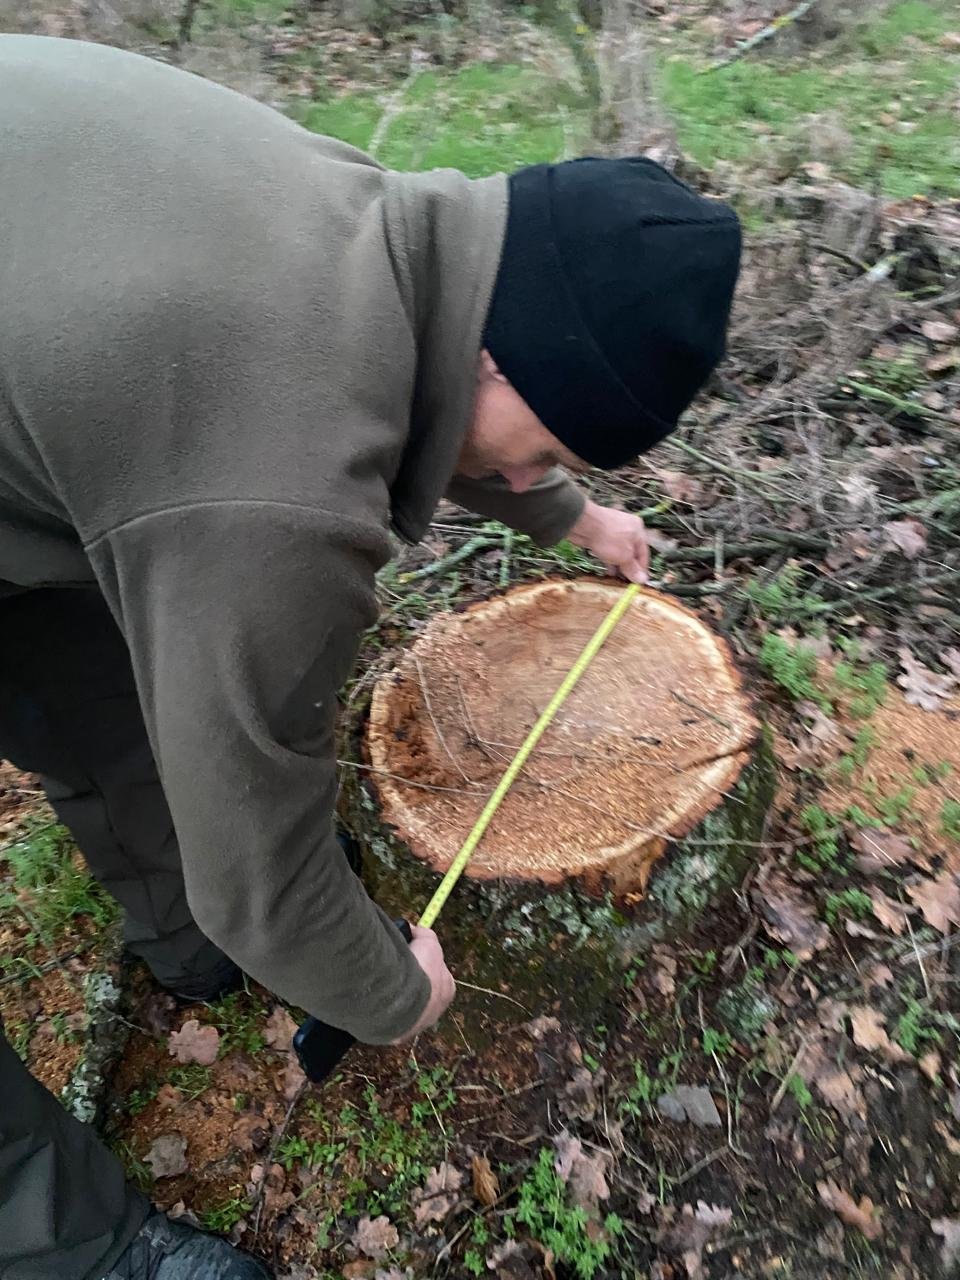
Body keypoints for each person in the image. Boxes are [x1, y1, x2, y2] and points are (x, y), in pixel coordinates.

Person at [0, 33, 741, 1280]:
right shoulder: (274, 505)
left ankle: (183, 940)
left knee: (80, 666)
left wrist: (570, 514)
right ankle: (73, 1245)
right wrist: (395, 995)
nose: (531, 472)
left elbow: (441, 389)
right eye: (547, 451)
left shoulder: (379, 224)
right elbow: (261, 867)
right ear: (504, 357)